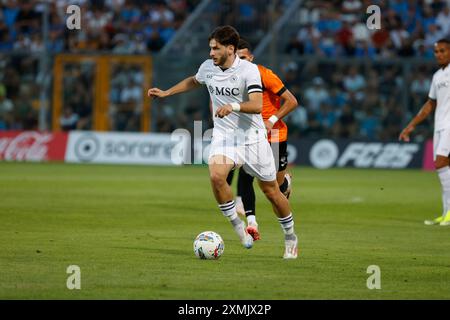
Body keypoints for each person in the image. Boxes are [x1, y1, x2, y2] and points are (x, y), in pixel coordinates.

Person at [148, 26, 299, 259]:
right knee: (217, 176)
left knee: (272, 192)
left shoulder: (249, 71)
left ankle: (290, 237)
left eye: (215, 48)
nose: (211, 53)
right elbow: (194, 81)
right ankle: (239, 228)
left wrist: (234, 106)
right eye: (210, 48)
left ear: (230, 49)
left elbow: (258, 105)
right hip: (225, 137)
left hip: (253, 138)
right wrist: (167, 93)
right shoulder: (208, 67)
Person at [226, 39, 299, 241]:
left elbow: (292, 101)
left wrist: (272, 120)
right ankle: (252, 223)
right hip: (250, 135)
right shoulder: (231, 78)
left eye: (243, 58)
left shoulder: (264, 74)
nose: (240, 62)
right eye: (236, 58)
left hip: (274, 134)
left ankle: (285, 183)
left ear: (251, 57)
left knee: (275, 190)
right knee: (246, 175)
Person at [399, 38, 450, 226]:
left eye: (443, 51)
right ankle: (446, 213)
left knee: (440, 162)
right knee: (443, 167)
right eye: (436, 52)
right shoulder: (437, 76)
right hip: (439, 125)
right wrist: (411, 125)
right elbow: (430, 104)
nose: (439, 54)